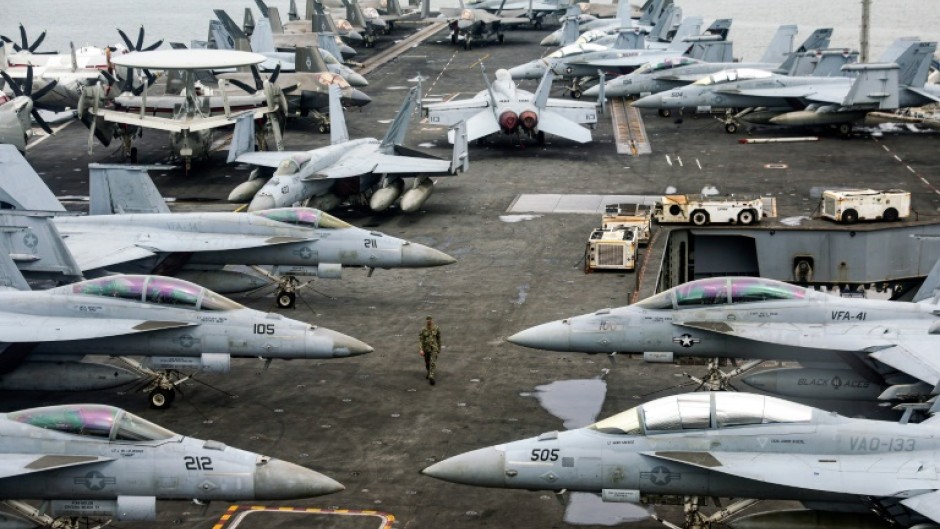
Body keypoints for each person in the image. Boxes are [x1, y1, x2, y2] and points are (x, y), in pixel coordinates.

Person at [419, 315, 441, 385]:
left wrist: (439, 348)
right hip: (426, 349)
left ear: (432, 320)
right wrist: (421, 349)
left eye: (430, 320)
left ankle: (431, 376)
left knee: (432, 362)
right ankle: (429, 372)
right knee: (427, 362)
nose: (429, 321)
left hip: (434, 348)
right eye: (428, 320)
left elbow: (438, 339)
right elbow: (421, 340)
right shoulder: (423, 329)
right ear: (426, 321)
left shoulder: (436, 328)